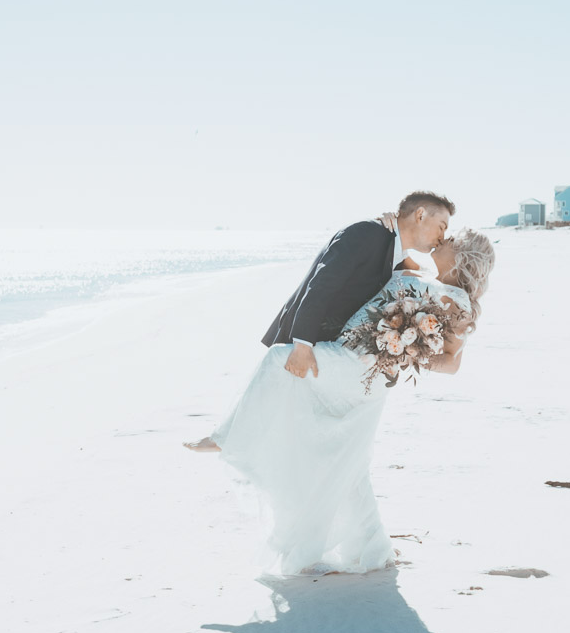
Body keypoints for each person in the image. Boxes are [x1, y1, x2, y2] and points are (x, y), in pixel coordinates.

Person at [188, 224, 496, 575]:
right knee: (348, 466)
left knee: (279, 360)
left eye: (451, 241)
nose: (443, 240)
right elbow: (389, 255)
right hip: (353, 363)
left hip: (357, 366)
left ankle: (229, 438)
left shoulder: (454, 301)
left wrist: (406, 352)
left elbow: (452, 363)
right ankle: (372, 548)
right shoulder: (419, 271)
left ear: (462, 258)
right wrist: (390, 228)